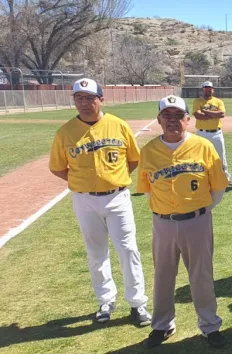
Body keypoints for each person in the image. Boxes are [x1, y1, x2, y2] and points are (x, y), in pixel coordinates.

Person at [49, 78, 151, 326]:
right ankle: (105, 301)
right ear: (74, 101)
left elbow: (134, 160)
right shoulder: (65, 132)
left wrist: (112, 179)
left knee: (128, 251)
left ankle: (138, 304)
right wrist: (84, 182)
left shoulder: (117, 125)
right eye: (79, 98)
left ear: (101, 99)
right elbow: (59, 168)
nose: (84, 103)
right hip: (85, 201)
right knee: (96, 253)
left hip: (117, 197)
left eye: (89, 98)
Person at [138, 95, 228, 349]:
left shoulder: (203, 146)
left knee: (201, 276)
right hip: (163, 222)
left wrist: (199, 210)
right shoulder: (149, 151)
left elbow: (218, 188)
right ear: (159, 120)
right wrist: (166, 211)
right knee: (163, 276)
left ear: (188, 119)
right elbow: (148, 190)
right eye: (167, 115)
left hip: (197, 220)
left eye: (178, 115)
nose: (172, 121)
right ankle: (162, 325)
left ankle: (210, 326)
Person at [192, 81, 231, 185]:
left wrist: (205, 111)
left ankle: (226, 178)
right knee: (200, 156)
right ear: (203, 89)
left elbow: (222, 114)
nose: (208, 90)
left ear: (213, 90)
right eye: (206, 88)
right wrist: (214, 114)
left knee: (221, 156)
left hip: (216, 133)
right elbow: (197, 116)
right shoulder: (197, 101)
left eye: (210, 88)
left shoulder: (218, 101)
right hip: (201, 133)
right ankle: (201, 178)